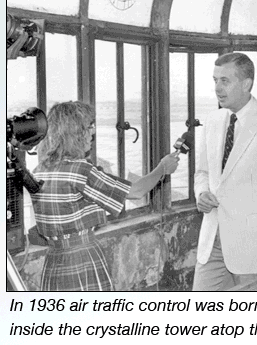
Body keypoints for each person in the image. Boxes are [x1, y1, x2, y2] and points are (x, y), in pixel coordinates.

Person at [30, 101, 179, 291]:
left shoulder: (39, 170)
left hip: (54, 262)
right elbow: (135, 191)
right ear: (74, 133)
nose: (92, 133)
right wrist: (162, 169)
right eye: (88, 127)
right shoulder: (80, 170)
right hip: (82, 257)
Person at [193, 52, 257, 291]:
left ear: (246, 84)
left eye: (225, 81)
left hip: (254, 249)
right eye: (215, 80)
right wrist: (201, 193)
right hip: (212, 242)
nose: (217, 88)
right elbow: (202, 173)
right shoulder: (212, 121)